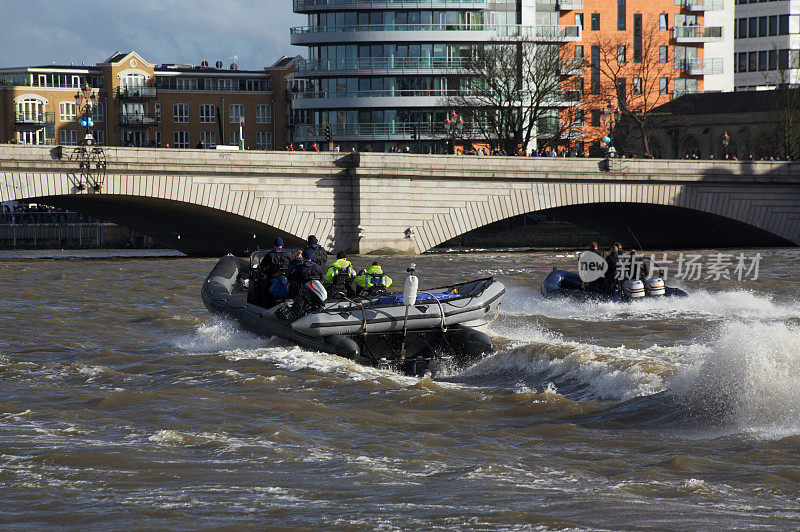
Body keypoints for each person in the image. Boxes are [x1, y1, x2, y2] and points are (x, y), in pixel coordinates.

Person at [259, 237, 292, 307]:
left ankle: (265, 307)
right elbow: (291, 266)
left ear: (274, 245)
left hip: (272, 278)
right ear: (282, 245)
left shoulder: (270, 254)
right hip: (285, 278)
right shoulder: (288, 254)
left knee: (265, 293)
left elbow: (263, 266)